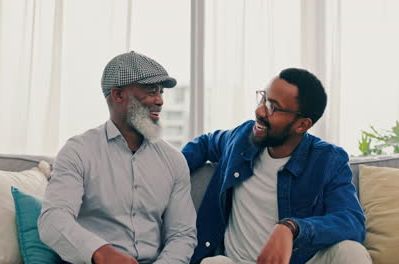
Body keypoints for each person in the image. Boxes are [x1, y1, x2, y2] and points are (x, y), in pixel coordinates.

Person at [182, 68, 371, 264]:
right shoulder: (241, 137)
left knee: (351, 251)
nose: (259, 111)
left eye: (273, 107)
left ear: (302, 125)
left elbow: (352, 222)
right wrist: (167, 174)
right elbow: (204, 143)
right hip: (238, 261)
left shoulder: (328, 160)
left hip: (299, 260)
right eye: (263, 98)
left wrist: (292, 228)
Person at [38, 51, 197, 264]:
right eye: (151, 91)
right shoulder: (78, 151)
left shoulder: (174, 161)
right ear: (118, 95)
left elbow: (182, 235)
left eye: (161, 92)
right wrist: (101, 252)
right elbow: (53, 220)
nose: (159, 100)